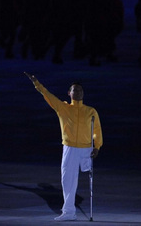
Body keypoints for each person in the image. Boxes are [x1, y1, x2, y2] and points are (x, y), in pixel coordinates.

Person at [24, 72, 103, 221]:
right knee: (68, 180)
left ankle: (73, 210)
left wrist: (97, 146)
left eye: (80, 90)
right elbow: (47, 95)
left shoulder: (91, 111)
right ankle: (69, 212)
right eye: (75, 90)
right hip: (70, 148)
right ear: (69, 93)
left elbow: (97, 130)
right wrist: (36, 83)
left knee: (89, 177)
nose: (78, 92)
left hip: (86, 148)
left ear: (83, 93)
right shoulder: (63, 107)